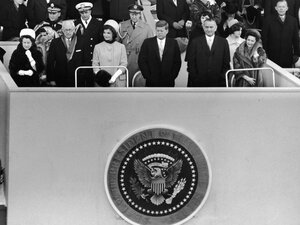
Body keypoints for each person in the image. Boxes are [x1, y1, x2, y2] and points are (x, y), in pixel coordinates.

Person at [187, 18, 230, 87]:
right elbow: (191, 62)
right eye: (206, 27)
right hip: (198, 82)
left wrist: (222, 77)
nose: (209, 29)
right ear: (203, 28)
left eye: (211, 27)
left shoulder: (223, 42)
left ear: (215, 28)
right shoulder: (195, 42)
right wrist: (195, 78)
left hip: (218, 82)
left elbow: (226, 62)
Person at [138, 20, 182, 87]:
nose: (159, 33)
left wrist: (172, 76)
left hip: (168, 81)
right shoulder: (147, 42)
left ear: (167, 31)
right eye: (157, 30)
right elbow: (141, 61)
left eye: (161, 31)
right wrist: (147, 76)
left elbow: (177, 62)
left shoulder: (173, 43)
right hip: (151, 81)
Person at [119, 3, 154, 87]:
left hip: (139, 59)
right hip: (124, 58)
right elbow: (117, 42)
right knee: (124, 82)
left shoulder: (146, 27)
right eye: (132, 14)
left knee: (137, 82)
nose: (134, 16)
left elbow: (151, 46)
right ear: (129, 14)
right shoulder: (122, 25)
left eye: (136, 14)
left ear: (140, 14)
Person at [262, 0, 299, 68]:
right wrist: (264, 53)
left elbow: (296, 39)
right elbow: (264, 38)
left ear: (287, 8)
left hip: (287, 56)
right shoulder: (268, 20)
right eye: (279, 7)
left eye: (283, 7)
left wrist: (297, 55)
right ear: (276, 8)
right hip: (272, 55)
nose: (281, 9)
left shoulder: (293, 21)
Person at [46, 20, 84, 87]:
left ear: (74, 29)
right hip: (60, 79)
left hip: (78, 79)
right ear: (62, 30)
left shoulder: (81, 42)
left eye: (70, 29)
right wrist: (51, 79)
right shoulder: (55, 42)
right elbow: (50, 62)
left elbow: (85, 60)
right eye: (66, 30)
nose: (68, 32)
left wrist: (84, 77)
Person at [74, 1, 103, 87]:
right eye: (82, 12)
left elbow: (101, 42)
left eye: (86, 12)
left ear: (90, 11)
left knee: (92, 84)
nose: (84, 15)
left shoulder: (98, 24)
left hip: (93, 58)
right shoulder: (75, 24)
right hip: (80, 59)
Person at [92, 20, 128, 87]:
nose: (105, 35)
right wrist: (102, 78)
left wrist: (114, 76)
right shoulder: (97, 47)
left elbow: (124, 64)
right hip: (102, 83)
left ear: (114, 33)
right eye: (104, 32)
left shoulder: (121, 47)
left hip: (118, 81)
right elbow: (95, 64)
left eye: (108, 33)